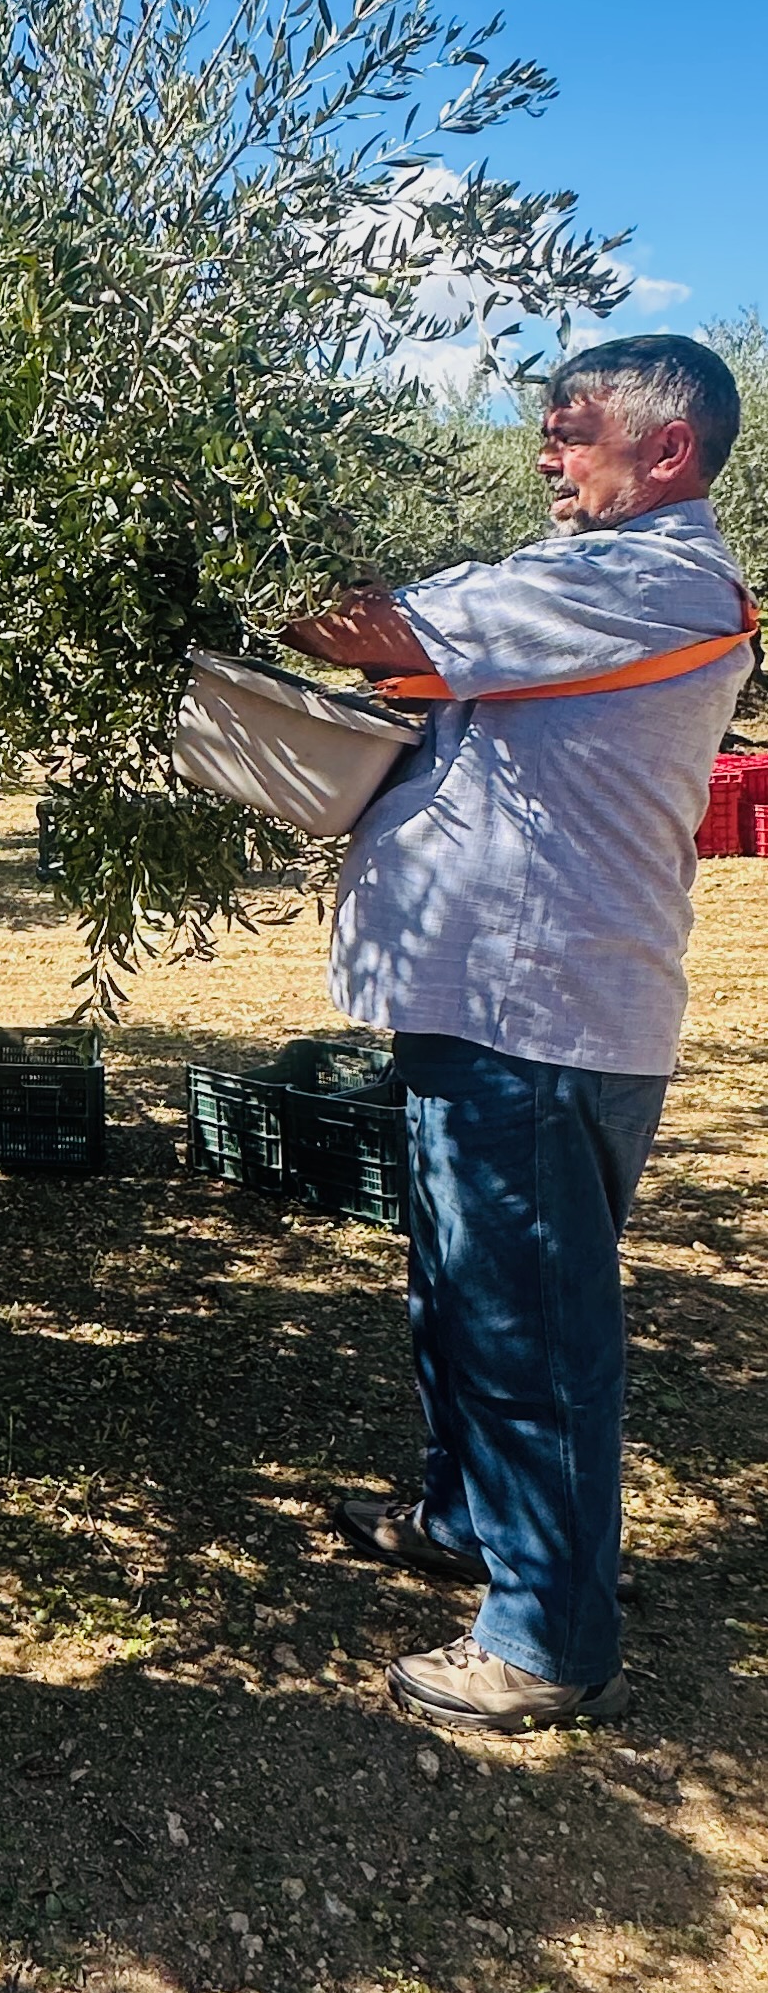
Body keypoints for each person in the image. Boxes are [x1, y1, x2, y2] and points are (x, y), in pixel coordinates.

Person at [285, 335, 754, 1739]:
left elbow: (379, 633)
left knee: (537, 1331)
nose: (545, 456)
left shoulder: (647, 577)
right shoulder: (583, 582)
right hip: (480, 1004)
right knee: (461, 1296)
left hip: (541, 1017)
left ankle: (550, 1639)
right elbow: (425, 688)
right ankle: (464, 1517)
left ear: (666, 450)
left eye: (571, 430)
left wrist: (243, 540)